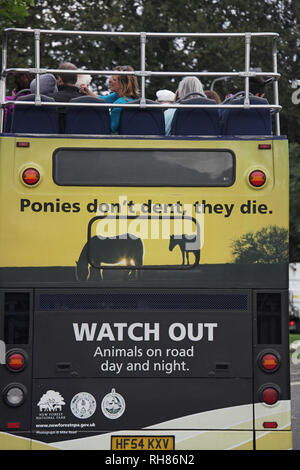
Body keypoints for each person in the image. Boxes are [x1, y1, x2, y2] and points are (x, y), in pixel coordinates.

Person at [81, 65, 140, 133]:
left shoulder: (118, 105)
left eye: (114, 79)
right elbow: (102, 99)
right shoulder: (119, 96)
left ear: (123, 84)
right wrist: (87, 91)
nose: (109, 80)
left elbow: (110, 129)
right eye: (111, 77)